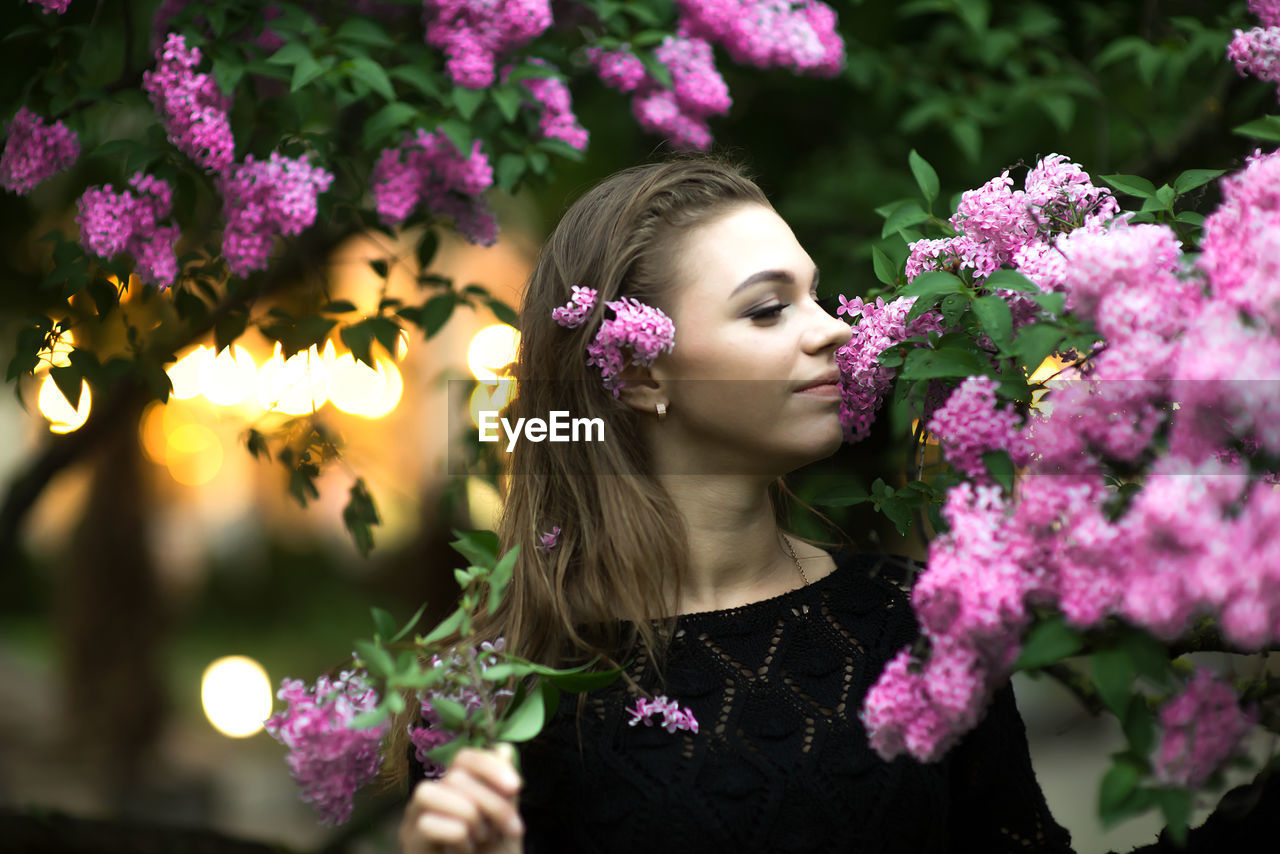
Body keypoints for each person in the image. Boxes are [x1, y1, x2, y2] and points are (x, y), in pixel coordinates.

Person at [392, 155, 1075, 853]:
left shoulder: (912, 619)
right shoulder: (497, 689)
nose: (831, 331)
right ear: (636, 372)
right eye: (768, 309)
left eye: (815, 296)